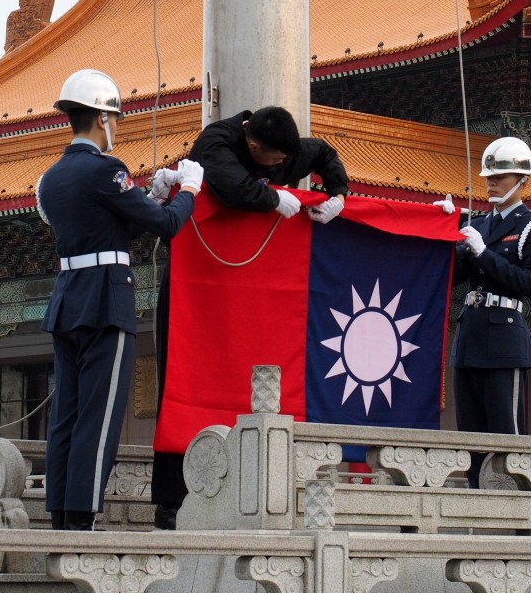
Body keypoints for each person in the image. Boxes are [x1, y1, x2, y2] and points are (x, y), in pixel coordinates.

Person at [148, 106, 349, 529]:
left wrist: (337, 194)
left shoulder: (279, 151)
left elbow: (323, 154)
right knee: (184, 384)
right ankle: (171, 503)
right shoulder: (215, 142)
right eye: (275, 162)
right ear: (254, 146)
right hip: (197, 283)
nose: (282, 168)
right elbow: (233, 187)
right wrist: (275, 197)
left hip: (252, 292)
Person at [36, 68, 204, 531]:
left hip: (68, 301)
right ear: (103, 119)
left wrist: (148, 195)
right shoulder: (107, 170)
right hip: (106, 303)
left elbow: (105, 227)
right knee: (100, 416)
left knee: (66, 417)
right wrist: (189, 189)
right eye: (117, 120)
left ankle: (62, 516)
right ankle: (84, 517)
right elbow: (168, 226)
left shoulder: (50, 179)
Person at [444, 136, 531, 488]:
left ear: (522, 180)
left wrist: (484, 254)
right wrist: (443, 233)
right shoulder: (479, 225)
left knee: (506, 436)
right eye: (489, 177)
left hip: (503, 341)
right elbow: (453, 278)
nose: (492, 183)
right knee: (471, 440)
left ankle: (516, 511)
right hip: (470, 338)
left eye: (501, 177)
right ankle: (478, 505)